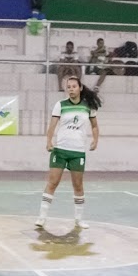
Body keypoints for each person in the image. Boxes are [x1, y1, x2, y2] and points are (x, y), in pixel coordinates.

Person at [35, 76, 101, 230]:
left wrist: (95, 140)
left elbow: (95, 126)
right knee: (53, 183)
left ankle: (79, 220)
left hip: (78, 152)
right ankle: (42, 217)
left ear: (80, 88)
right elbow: (52, 125)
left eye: (73, 86)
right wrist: (49, 141)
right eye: (68, 87)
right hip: (61, 150)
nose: (71, 89)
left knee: (78, 185)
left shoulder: (88, 106)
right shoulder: (60, 105)